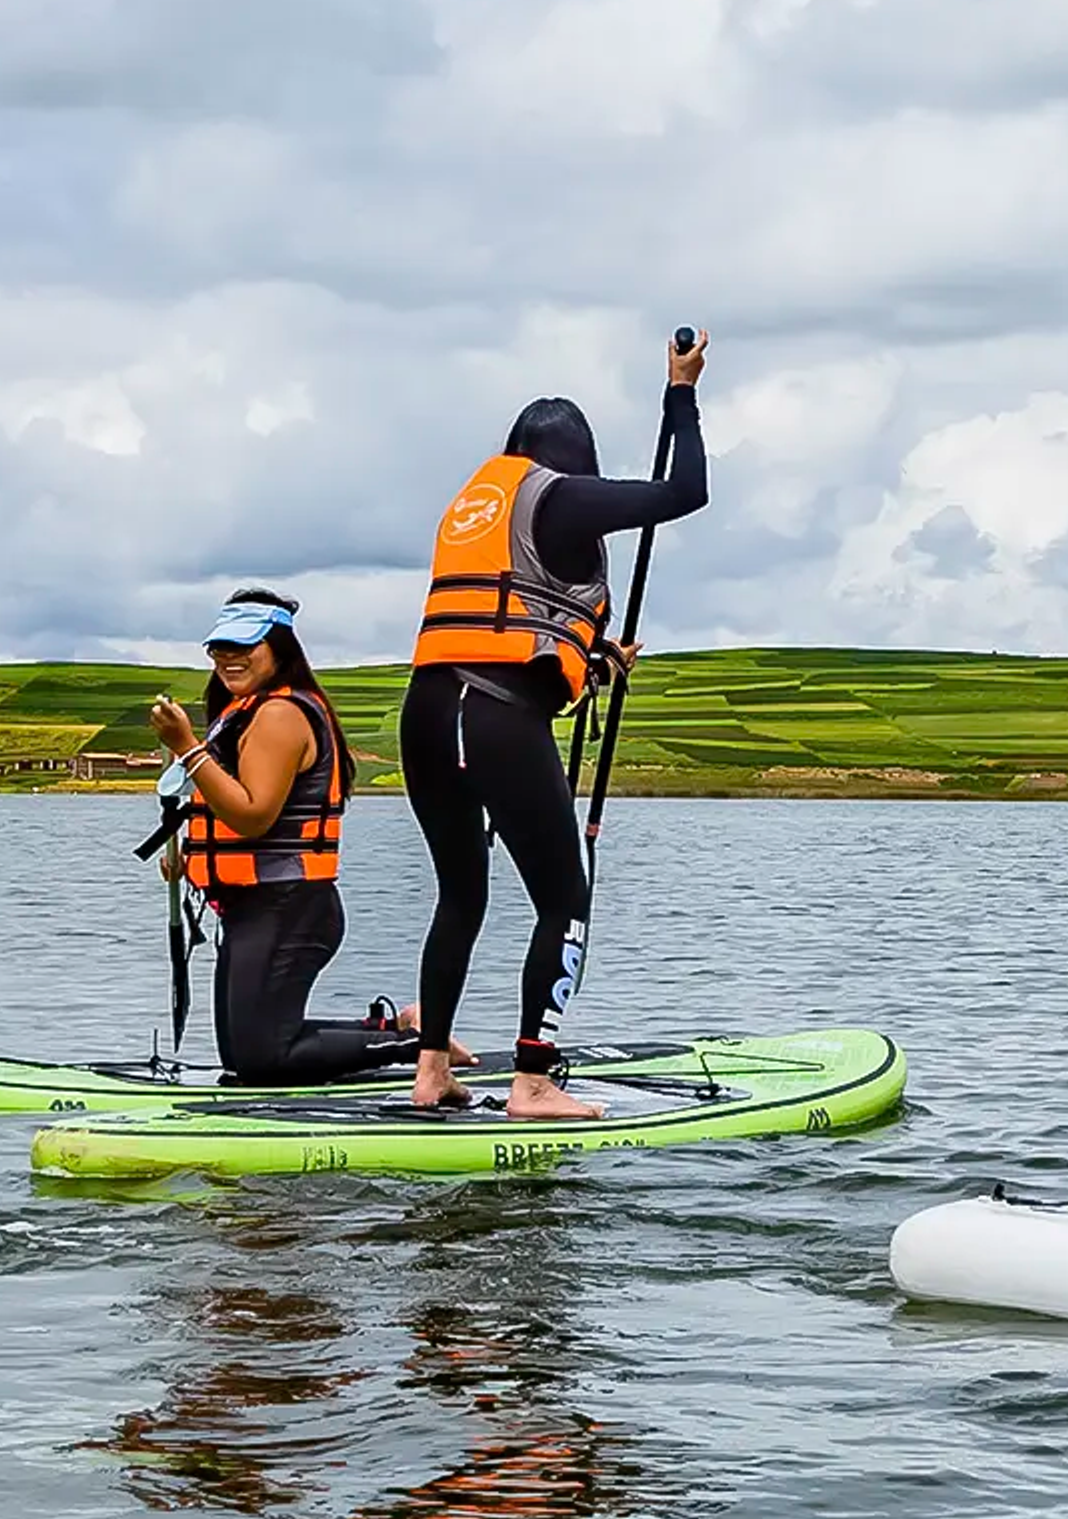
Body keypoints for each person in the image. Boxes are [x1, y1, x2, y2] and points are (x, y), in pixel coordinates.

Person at [401, 336, 711, 1118]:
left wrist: (595, 660)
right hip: (492, 720)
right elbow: (686, 490)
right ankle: (533, 1082)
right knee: (564, 899)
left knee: (460, 894)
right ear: (575, 460)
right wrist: (682, 393)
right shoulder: (563, 496)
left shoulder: (478, 504)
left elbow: (514, 630)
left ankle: (430, 1071)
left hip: (427, 712)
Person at [147, 590, 404, 1086]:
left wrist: (184, 745)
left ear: (279, 649)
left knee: (264, 1059)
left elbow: (254, 817)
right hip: (252, 907)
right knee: (245, 1057)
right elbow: (228, 804)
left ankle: (418, 1041)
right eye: (219, 648)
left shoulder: (281, 715)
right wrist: (191, 856)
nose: (228, 658)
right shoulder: (242, 712)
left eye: (244, 646)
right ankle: (388, 1029)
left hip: (289, 907)